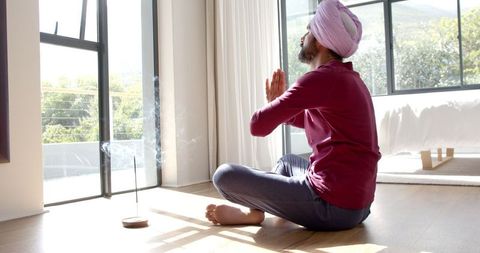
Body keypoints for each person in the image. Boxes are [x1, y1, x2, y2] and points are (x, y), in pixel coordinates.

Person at [205, 0, 381, 231]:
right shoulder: (350, 79)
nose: (302, 37)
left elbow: (257, 126)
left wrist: (277, 104)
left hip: (332, 206)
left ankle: (257, 212)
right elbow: (311, 122)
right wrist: (278, 106)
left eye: (308, 31)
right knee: (287, 161)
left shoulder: (320, 78)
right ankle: (262, 209)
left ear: (320, 41)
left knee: (224, 175)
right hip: (359, 206)